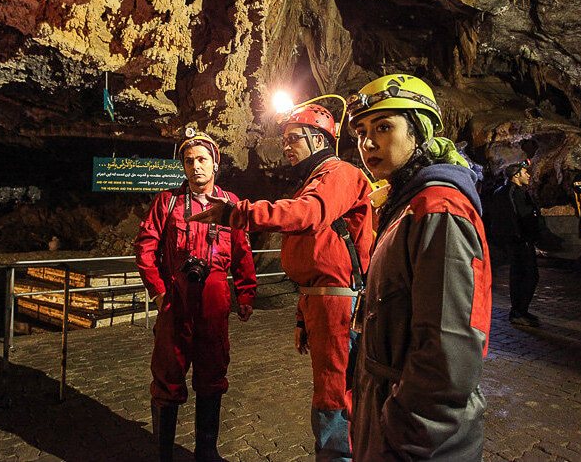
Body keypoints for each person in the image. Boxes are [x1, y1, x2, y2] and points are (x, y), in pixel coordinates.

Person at [189, 104, 372, 462]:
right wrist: (303, 316)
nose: (285, 147)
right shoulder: (316, 179)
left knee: (335, 393)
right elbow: (315, 254)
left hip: (338, 305)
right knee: (331, 387)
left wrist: (237, 213)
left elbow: (308, 214)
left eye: (293, 138)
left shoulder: (338, 174)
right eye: (284, 139)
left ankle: (339, 457)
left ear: (318, 139)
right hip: (321, 301)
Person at [347, 74, 492, 461]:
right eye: (361, 131)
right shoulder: (405, 206)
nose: (368, 142)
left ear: (420, 131)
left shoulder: (438, 209)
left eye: (383, 127)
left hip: (420, 437)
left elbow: (448, 346)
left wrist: (406, 429)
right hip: (387, 412)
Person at [133, 131, 257, 462]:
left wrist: (245, 293)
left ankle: (206, 451)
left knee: (213, 372)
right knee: (167, 372)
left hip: (215, 297)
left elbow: (243, 252)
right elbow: (144, 248)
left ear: (215, 163)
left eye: (202, 159)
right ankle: (164, 454)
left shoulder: (230, 204)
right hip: (176, 296)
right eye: (189, 161)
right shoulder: (167, 202)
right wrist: (158, 292)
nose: (195, 166)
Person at [491, 159, 543, 327]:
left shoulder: (500, 191)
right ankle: (519, 312)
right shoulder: (516, 193)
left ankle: (519, 311)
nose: (528, 175)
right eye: (525, 172)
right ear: (516, 175)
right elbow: (522, 218)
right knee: (529, 276)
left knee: (518, 275)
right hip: (520, 241)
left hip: (512, 241)